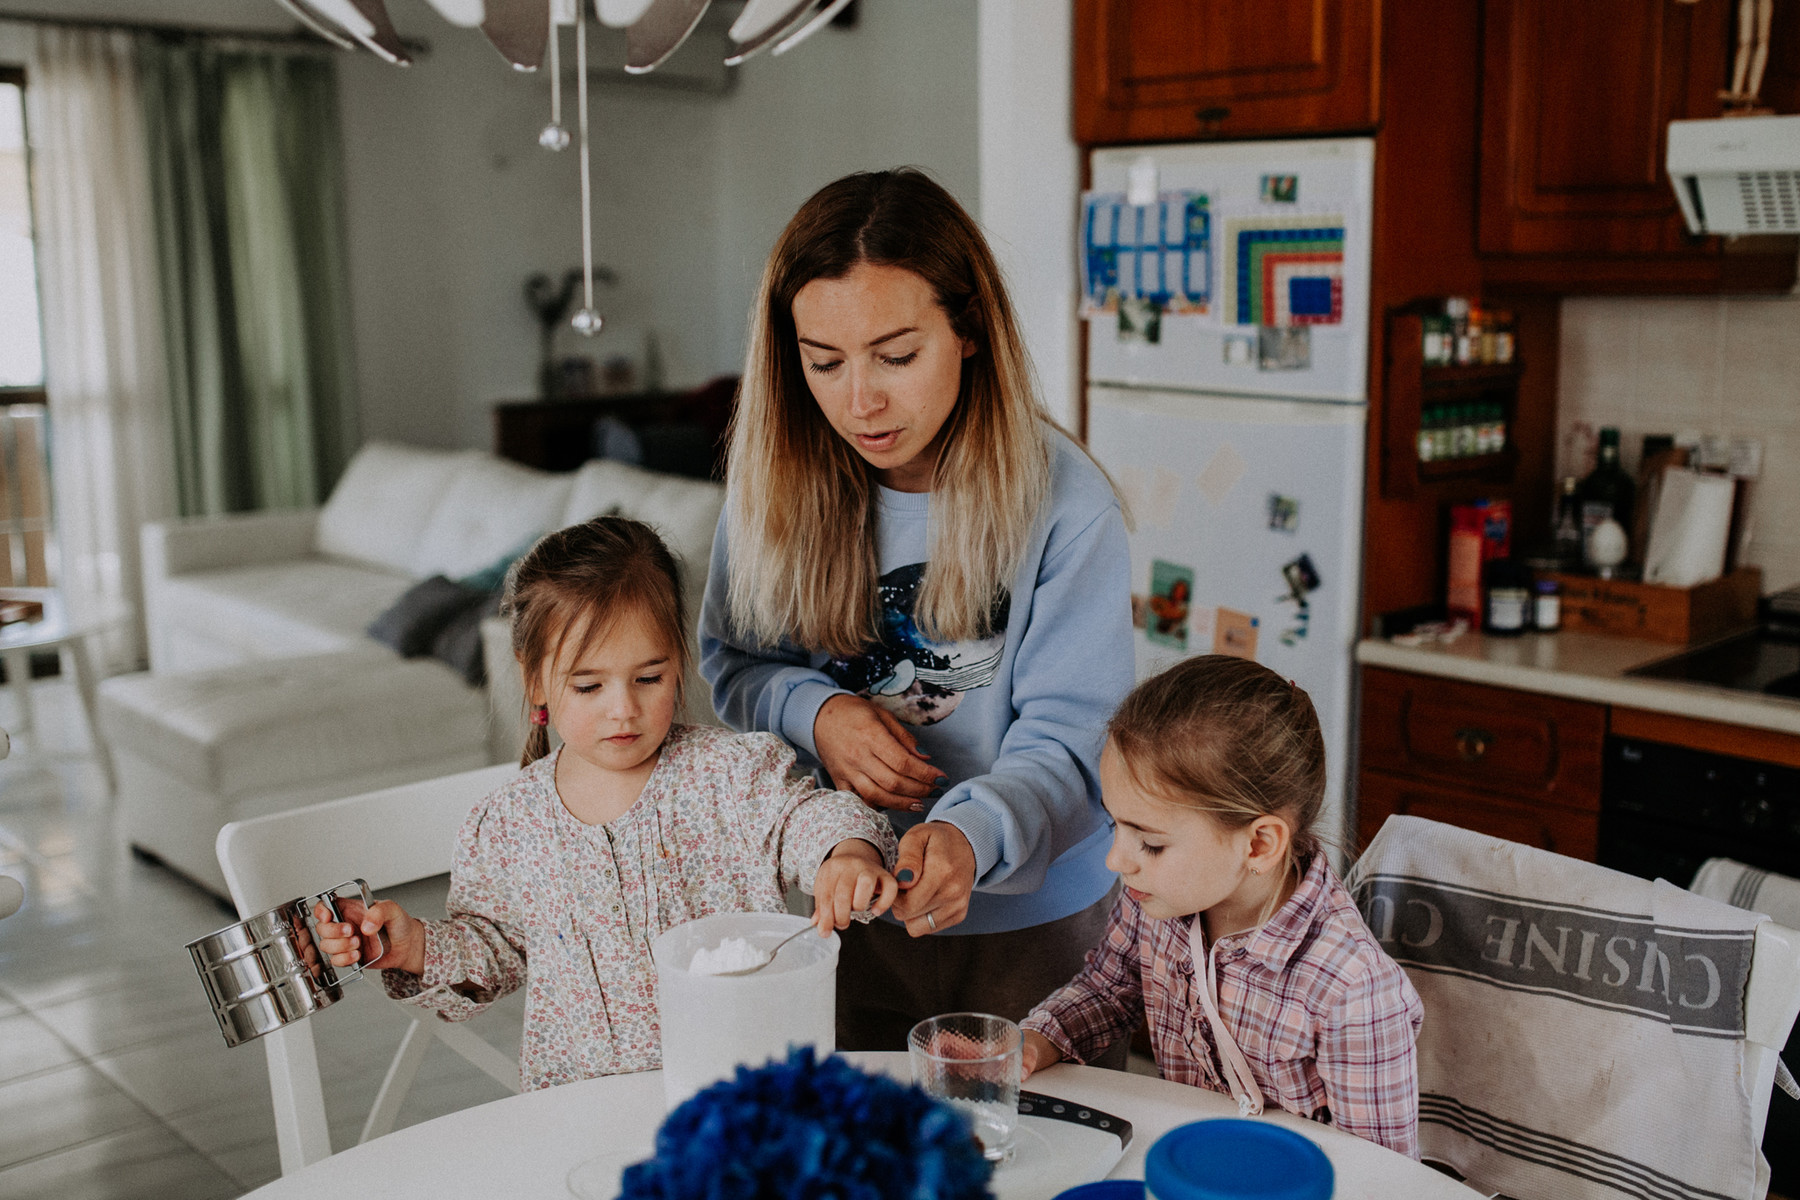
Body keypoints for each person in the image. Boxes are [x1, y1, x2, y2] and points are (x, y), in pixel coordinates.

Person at [698, 168, 1134, 1052]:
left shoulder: (1065, 500)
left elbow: (1075, 735)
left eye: (896, 356)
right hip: (846, 911)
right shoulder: (770, 490)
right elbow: (734, 665)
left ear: (968, 330)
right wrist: (815, 712)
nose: (860, 400)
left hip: (1037, 925)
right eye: (824, 362)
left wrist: (969, 835)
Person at [314, 516, 898, 1089]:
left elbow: (808, 817)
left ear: (679, 662)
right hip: (582, 1111)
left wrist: (845, 852)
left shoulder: (731, 775)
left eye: (648, 678)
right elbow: (492, 949)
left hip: (746, 1095)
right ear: (536, 681)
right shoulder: (508, 825)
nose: (623, 709)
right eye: (589, 686)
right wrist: (413, 945)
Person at [1019, 656, 1425, 1157]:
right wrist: (1038, 1041)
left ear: (1258, 845)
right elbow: (1108, 989)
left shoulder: (1351, 989)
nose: (1116, 860)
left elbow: (1380, 1179)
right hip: (1189, 1168)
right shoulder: (1158, 900)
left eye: (1150, 842)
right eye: (1115, 825)